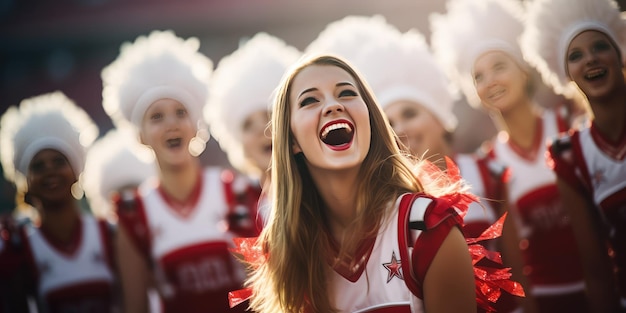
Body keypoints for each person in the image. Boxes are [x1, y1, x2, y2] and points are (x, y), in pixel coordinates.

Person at [233, 53, 496, 313]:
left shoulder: (427, 226)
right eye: (310, 100)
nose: (333, 105)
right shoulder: (288, 253)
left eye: (346, 93)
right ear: (292, 141)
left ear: (370, 119)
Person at [430, 0, 589, 312]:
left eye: (499, 66)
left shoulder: (570, 123)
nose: (490, 81)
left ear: (525, 71)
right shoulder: (489, 164)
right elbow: (511, 253)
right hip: (546, 302)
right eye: (478, 76)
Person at [101, 30, 249, 313]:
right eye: (156, 116)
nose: (172, 124)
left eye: (181, 112)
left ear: (196, 126)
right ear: (140, 135)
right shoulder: (133, 214)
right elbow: (136, 307)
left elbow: (262, 288)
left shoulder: (236, 191)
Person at [522, 0, 626, 311]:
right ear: (565, 73)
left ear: (619, 53)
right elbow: (596, 271)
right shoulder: (570, 155)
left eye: (600, 46)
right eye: (575, 55)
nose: (591, 59)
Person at [0, 91, 118, 312]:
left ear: (76, 171)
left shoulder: (110, 233)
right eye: (38, 166)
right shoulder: (17, 246)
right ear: (25, 181)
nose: (50, 172)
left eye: (58, 161)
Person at [205, 32, 301, 233]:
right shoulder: (234, 210)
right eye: (247, 124)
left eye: (269, 115)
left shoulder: (327, 190)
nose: (262, 130)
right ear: (239, 144)